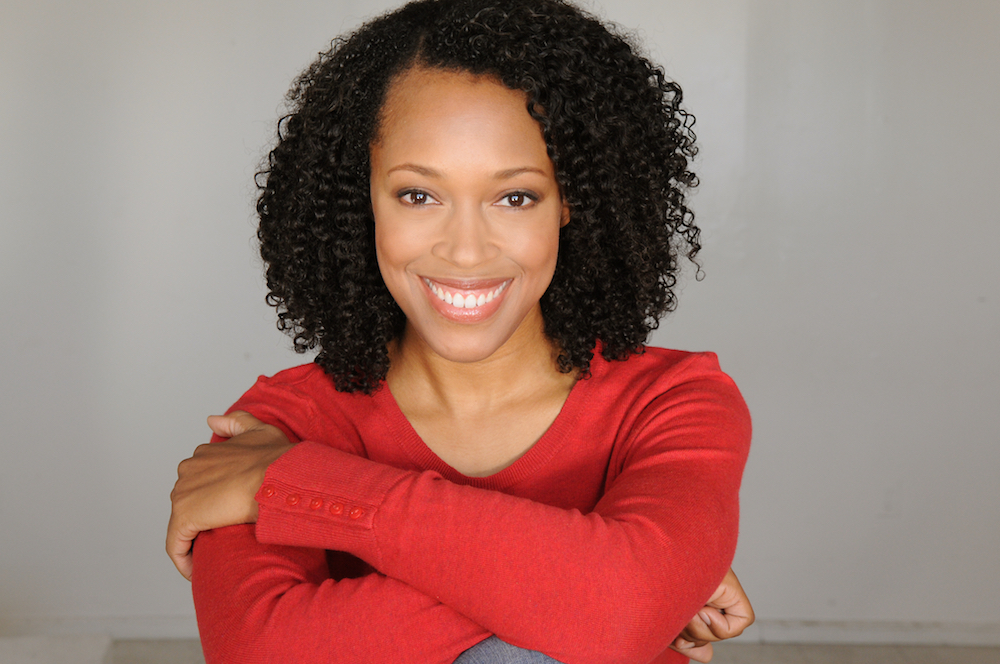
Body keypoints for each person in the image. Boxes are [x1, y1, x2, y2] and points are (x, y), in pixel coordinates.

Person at [166, 0, 754, 662]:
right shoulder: (277, 427)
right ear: (364, 198)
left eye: (515, 197)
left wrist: (300, 486)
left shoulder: (675, 403)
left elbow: (623, 605)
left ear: (572, 202)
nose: (466, 251)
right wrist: (607, 587)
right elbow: (258, 651)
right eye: (418, 195)